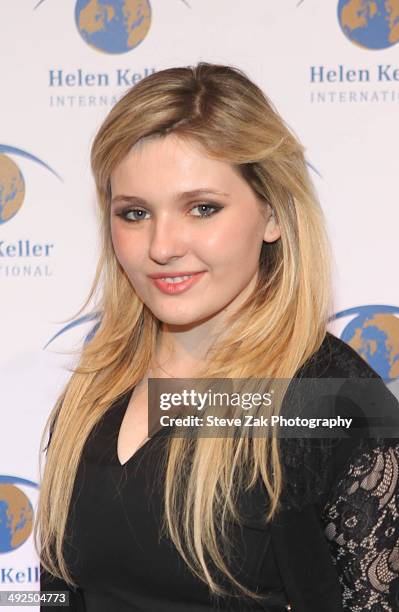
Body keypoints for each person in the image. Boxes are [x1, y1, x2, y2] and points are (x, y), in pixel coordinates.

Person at [36, 63, 399, 611]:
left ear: (273, 214)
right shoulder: (95, 388)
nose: (162, 245)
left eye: (202, 208)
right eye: (134, 213)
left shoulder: (330, 399)